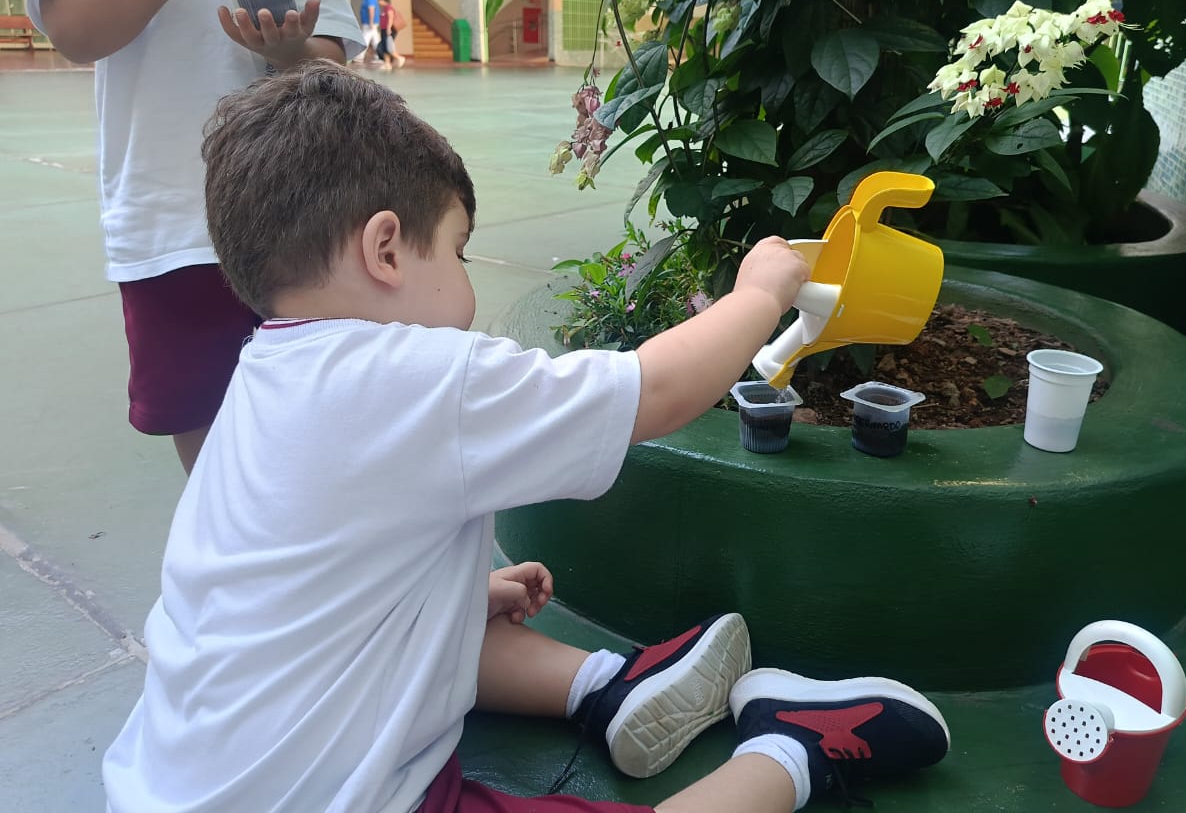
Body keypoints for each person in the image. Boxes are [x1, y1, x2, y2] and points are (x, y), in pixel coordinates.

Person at [100, 61, 951, 813]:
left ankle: (616, 690)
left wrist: (456, 592)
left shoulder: (259, 379)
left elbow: (286, 586)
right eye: (458, 252)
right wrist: (759, 295)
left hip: (161, 783)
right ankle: (793, 750)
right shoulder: (419, 375)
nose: (465, 282)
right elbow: (654, 390)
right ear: (387, 250)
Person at [26, 0, 364, 475]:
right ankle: (230, 535)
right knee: (207, 422)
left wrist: (287, 47)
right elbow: (75, 32)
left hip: (297, 213)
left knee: (318, 403)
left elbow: (329, 60)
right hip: (175, 222)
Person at [378, 0, 406, 68]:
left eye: (379, 0)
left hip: (388, 30)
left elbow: (391, 18)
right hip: (384, 30)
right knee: (384, 47)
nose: (378, 2)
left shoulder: (389, 8)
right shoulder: (385, 8)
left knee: (388, 46)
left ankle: (399, 58)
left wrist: (388, 28)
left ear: (383, 0)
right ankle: (387, 64)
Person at [357, 0, 381, 65]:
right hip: (368, 23)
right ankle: (380, 56)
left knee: (365, 39)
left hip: (370, 23)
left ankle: (359, 57)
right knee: (376, 41)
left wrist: (371, 22)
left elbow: (371, 9)